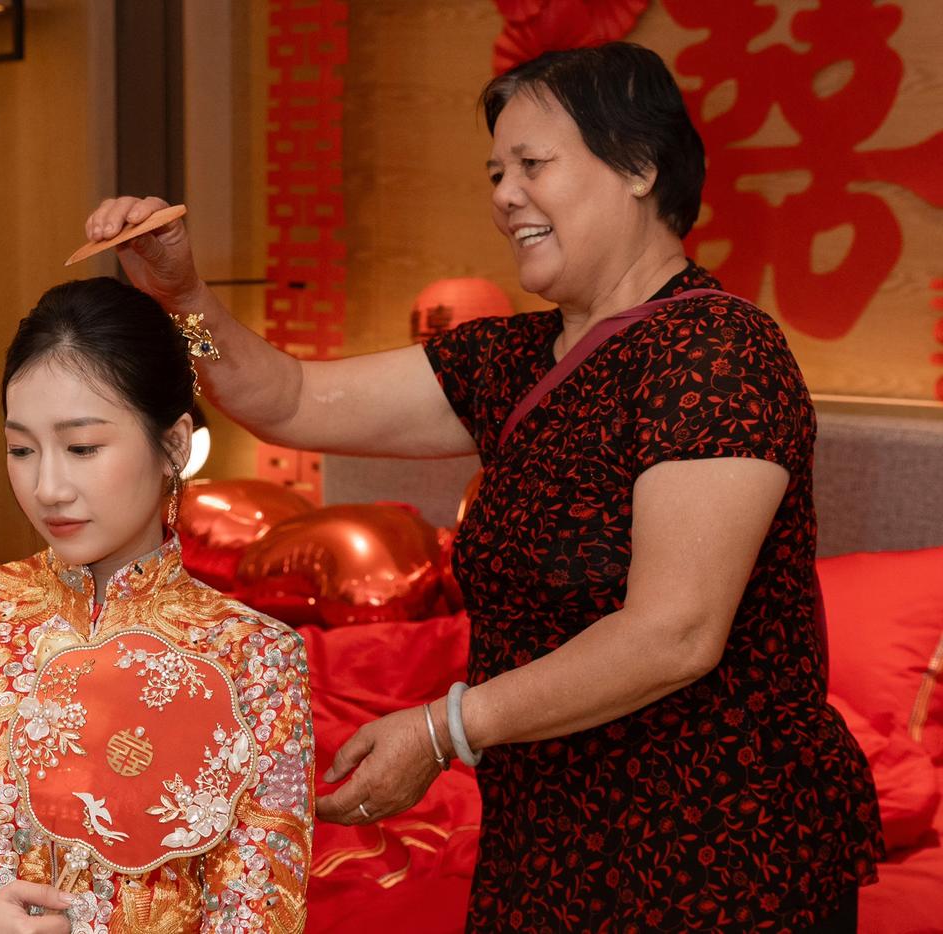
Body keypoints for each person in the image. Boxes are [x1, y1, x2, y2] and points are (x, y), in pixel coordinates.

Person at [83, 42, 881, 933]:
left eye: (534, 164)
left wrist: (443, 729)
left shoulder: (718, 354)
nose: (505, 195)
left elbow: (675, 633)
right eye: (497, 172)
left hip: (718, 856)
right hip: (550, 839)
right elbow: (286, 400)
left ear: (640, 167)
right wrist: (182, 296)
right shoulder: (515, 358)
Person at [0, 277, 314, 934]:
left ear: (175, 445)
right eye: (21, 449)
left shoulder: (256, 658)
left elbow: (257, 913)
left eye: (81, 448)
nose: (47, 487)